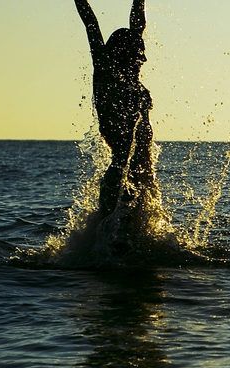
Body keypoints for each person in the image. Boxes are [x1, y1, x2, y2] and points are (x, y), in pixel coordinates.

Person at [74, 0, 155, 219]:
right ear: (123, 54)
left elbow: (138, 24)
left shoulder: (130, 76)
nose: (143, 59)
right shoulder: (105, 71)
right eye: (138, 54)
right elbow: (90, 22)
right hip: (119, 177)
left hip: (142, 172)